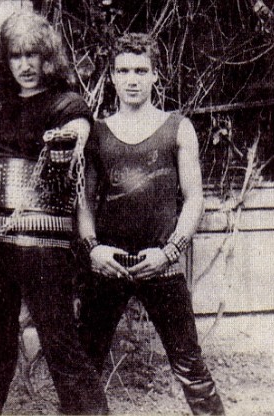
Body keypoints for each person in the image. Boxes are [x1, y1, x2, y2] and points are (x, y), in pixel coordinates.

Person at [77, 33, 225, 415]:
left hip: (161, 263)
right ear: (112, 76)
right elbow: (84, 200)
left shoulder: (178, 127)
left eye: (141, 71)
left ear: (155, 75)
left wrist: (170, 252)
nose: (132, 80)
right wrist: (93, 249)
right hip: (109, 265)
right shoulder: (97, 132)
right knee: (85, 368)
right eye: (124, 71)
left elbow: (194, 198)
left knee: (190, 365)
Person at [0, 12, 108, 415]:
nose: (25, 65)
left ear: (48, 58)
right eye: (16, 56)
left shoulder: (68, 104)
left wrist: (67, 143)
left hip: (45, 247)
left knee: (60, 342)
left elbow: (76, 139)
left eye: (33, 55)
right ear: (5, 60)